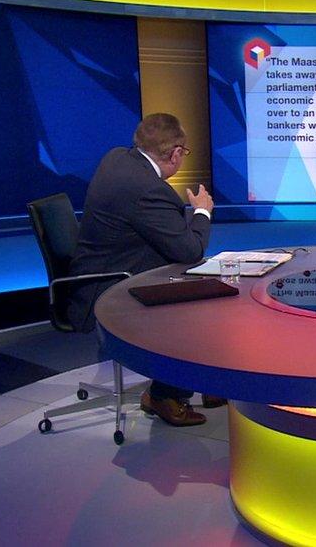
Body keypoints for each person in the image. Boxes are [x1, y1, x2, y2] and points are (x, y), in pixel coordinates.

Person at [66, 112, 222, 427]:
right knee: (196, 297)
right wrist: (202, 211)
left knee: (197, 282)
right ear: (176, 153)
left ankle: (206, 383)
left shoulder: (117, 159)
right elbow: (190, 250)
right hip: (107, 287)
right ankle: (164, 395)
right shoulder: (147, 190)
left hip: (98, 272)